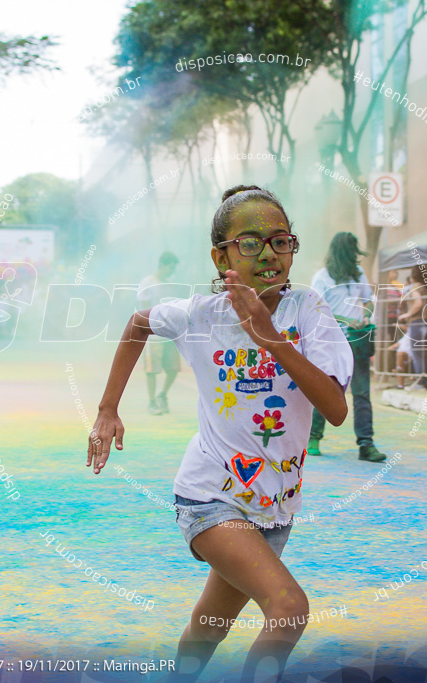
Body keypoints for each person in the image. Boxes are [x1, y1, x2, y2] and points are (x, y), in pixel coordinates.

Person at [87, 185, 352, 682]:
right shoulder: (199, 315)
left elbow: (335, 409)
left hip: (275, 503)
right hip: (210, 495)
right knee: (288, 608)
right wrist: (107, 409)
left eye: (281, 241)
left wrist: (270, 337)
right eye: (249, 243)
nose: (269, 254)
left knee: (209, 627)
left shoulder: (308, 311)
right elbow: (138, 324)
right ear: (221, 255)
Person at [308, 232, 386, 462]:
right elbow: (317, 310)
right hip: (330, 344)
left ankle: (366, 444)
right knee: (326, 391)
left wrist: (367, 317)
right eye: (351, 251)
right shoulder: (322, 277)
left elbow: (369, 299)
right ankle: (313, 438)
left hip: (357, 340)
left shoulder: (357, 274)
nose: (355, 255)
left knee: (362, 394)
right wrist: (345, 319)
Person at [138, 251, 181, 415]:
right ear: (162, 265)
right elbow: (144, 308)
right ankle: (152, 402)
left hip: (168, 333)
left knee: (173, 368)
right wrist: (149, 329)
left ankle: (162, 395)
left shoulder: (170, 284)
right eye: (170, 268)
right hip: (153, 333)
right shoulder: (147, 282)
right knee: (152, 369)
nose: (172, 271)